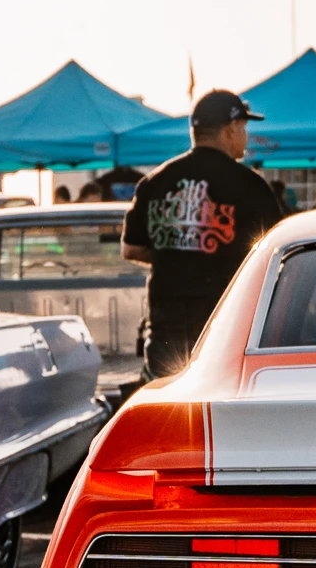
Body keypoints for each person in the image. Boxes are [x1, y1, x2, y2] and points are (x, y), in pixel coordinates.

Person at [121, 89, 286, 381]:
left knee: (169, 415)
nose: (246, 136)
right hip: (225, 331)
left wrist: (178, 251)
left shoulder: (155, 181)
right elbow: (277, 252)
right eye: (244, 128)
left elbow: (132, 249)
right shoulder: (250, 186)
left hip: (165, 334)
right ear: (230, 129)